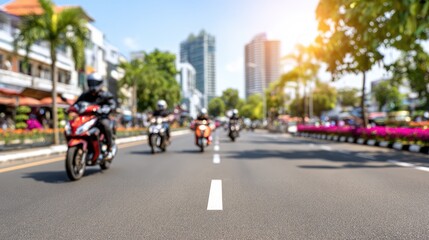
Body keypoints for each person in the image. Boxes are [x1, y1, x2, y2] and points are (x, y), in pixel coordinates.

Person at [74, 73, 116, 159]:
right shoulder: (85, 95)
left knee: (105, 125)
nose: (93, 85)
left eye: (95, 83)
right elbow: (76, 104)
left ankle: (110, 146)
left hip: (100, 118)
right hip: (87, 118)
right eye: (91, 82)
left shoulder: (106, 95)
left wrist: (108, 108)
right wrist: (71, 108)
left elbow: (112, 104)